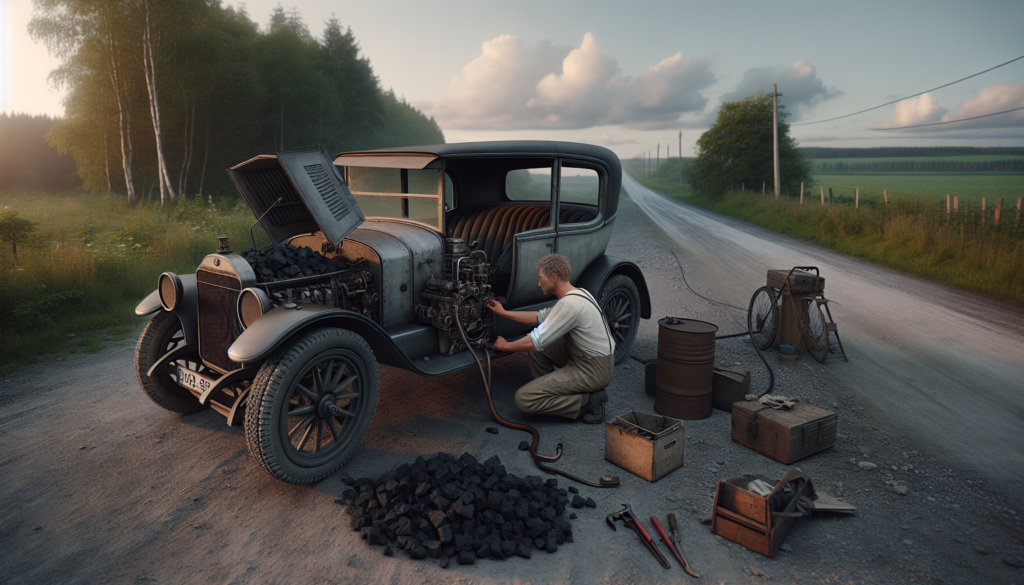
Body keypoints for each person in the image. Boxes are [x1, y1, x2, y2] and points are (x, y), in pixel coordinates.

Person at [485, 254, 615, 424]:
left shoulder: (569, 305)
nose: (539, 283)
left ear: (554, 278)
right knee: (540, 348)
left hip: (594, 370)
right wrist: (504, 313)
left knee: (524, 398)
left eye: (541, 278)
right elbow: (539, 317)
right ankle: (553, 393)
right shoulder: (577, 293)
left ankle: (589, 401)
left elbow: (533, 341)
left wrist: (505, 346)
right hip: (590, 359)